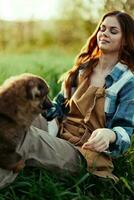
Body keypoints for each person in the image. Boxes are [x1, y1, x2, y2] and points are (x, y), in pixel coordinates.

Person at [0, 10, 134, 188]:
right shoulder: (83, 69)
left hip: (84, 152)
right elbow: (59, 107)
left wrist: (109, 135)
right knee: (10, 123)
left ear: (125, 40)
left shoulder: (128, 82)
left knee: (24, 137)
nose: (104, 33)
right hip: (58, 129)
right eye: (102, 28)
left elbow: (125, 131)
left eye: (113, 31)